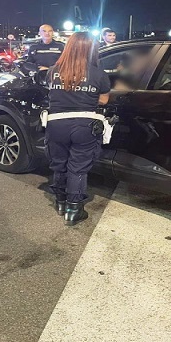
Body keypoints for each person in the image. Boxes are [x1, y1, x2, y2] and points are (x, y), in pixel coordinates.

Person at [45, 32, 110, 225]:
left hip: (56, 123)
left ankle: (60, 202)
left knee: (59, 164)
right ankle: (74, 210)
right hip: (84, 125)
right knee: (78, 168)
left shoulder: (53, 71)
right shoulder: (99, 74)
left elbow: (51, 93)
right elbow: (103, 100)